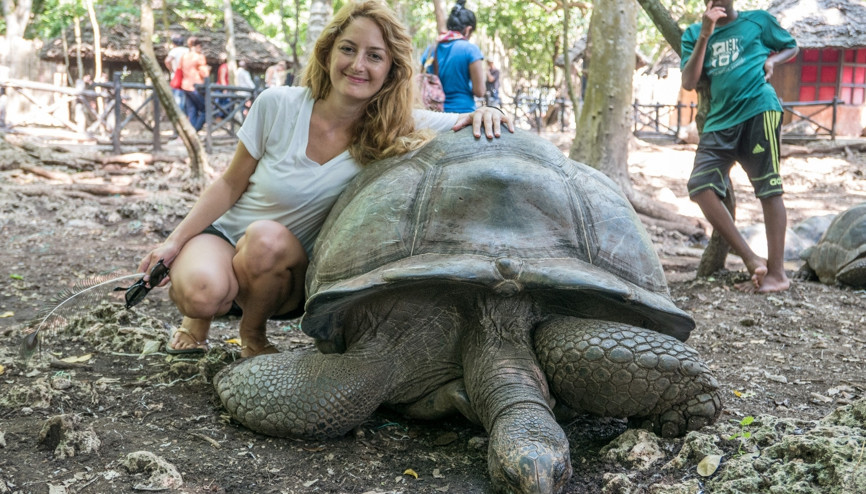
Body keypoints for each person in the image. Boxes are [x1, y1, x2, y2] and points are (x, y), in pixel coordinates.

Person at [137, 0, 514, 357]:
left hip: (285, 269)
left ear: (391, 70)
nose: (358, 65)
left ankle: (252, 335)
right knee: (201, 293)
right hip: (226, 238)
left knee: (265, 239)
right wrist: (174, 242)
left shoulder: (397, 127)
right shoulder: (277, 103)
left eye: (374, 56)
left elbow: (469, 123)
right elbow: (229, 184)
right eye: (348, 49)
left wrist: (492, 109)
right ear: (329, 52)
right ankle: (196, 321)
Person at [681, 0, 798, 293]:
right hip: (718, 123)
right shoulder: (693, 33)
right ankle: (750, 258)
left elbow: (791, 46)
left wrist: (773, 60)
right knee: (700, 186)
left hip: (759, 110)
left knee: (769, 189)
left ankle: (777, 274)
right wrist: (706, 34)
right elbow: (689, 81)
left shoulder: (758, 21)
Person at [421, 0, 484, 113]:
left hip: (436, 115)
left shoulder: (431, 50)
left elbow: (421, 79)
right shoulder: (471, 50)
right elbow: (479, 91)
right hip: (464, 114)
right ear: (468, 29)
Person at [179, 36, 211, 131]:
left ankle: (191, 131)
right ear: (198, 46)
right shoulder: (199, 57)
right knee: (206, 109)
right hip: (196, 87)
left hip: (185, 86)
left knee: (192, 111)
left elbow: (180, 69)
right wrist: (207, 70)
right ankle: (195, 130)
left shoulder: (184, 56)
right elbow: (203, 72)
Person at [164, 35, 188, 109]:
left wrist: (171, 70)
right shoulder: (187, 50)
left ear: (173, 43)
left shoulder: (174, 51)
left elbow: (167, 61)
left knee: (178, 99)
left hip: (177, 77)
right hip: (187, 78)